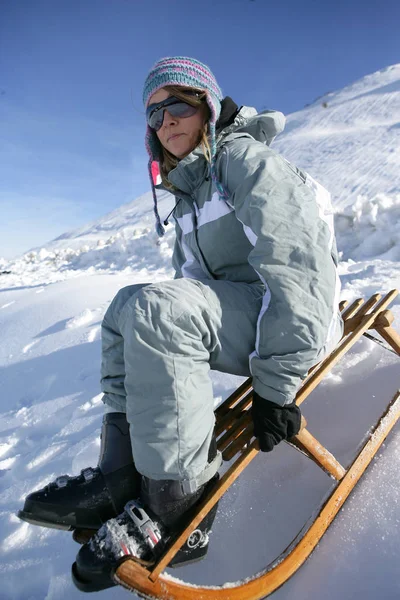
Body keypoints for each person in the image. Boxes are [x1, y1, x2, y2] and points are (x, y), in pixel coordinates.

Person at [18, 56, 342, 591]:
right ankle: (121, 475)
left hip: (290, 322)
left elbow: (300, 267)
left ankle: (178, 504)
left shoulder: (245, 162)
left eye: (176, 106)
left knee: (157, 309)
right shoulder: (189, 190)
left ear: (207, 109)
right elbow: (184, 292)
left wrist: (278, 386)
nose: (165, 122)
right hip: (250, 319)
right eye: (153, 115)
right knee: (130, 304)